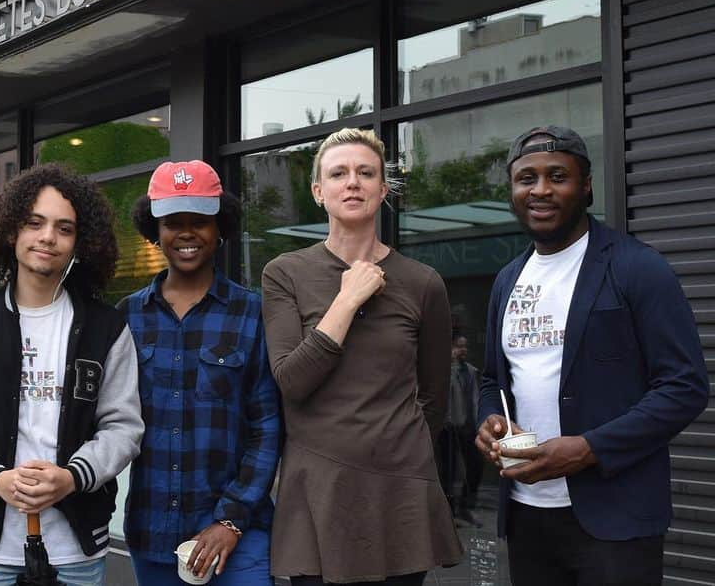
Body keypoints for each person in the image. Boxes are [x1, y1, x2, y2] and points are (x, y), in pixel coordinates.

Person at [476, 126, 707, 586]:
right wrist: (488, 423)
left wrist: (587, 450)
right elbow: (491, 382)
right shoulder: (507, 279)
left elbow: (685, 388)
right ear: (512, 191)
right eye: (526, 179)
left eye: (556, 176)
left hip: (615, 522)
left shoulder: (637, 267)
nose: (540, 190)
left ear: (586, 187)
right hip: (527, 514)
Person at [0, 162, 143, 586]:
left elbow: (123, 426)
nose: (47, 237)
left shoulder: (106, 327)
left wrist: (73, 477)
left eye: (64, 228)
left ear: (81, 241)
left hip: (78, 545)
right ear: (11, 231)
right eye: (34, 223)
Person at [261, 127, 462, 585]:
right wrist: (347, 299)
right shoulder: (285, 273)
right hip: (319, 487)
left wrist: (399, 451)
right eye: (338, 173)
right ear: (318, 192)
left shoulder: (423, 281)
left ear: (382, 190)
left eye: (365, 173)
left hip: (401, 491)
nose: (352, 182)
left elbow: (433, 394)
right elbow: (291, 381)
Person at [120, 160, 281, 585]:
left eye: (200, 221)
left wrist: (230, 520)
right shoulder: (128, 317)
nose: (186, 233)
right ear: (155, 231)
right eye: (173, 222)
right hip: (151, 534)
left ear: (221, 227)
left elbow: (267, 426)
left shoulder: (253, 312)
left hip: (239, 538)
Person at [439, 334, 483, 527]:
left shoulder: (472, 371)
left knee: (475, 467)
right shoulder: (445, 370)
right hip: (448, 427)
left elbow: (475, 398)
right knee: (448, 472)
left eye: (464, 347)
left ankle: (465, 507)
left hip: (468, 427)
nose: (462, 350)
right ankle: (448, 513)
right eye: (458, 346)